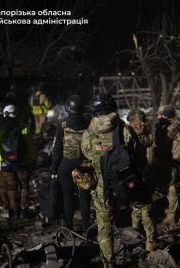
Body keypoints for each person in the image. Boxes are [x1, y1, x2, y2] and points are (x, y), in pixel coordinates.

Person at [81, 93, 137, 268]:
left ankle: (108, 262)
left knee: (104, 226)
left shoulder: (89, 131)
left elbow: (86, 152)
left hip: (100, 184)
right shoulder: (123, 128)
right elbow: (133, 150)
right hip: (122, 180)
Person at [50, 95, 90, 231]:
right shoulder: (88, 123)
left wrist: (54, 169)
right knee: (84, 197)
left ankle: (68, 227)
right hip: (83, 165)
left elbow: (56, 149)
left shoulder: (62, 125)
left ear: (68, 108)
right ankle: (86, 228)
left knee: (67, 197)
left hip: (65, 165)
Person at [0, 104, 37, 219]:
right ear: (16, 114)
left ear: (4, 113)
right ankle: (23, 210)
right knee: (24, 187)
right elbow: (31, 147)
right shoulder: (24, 128)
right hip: (22, 163)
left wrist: (0, 162)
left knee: (11, 187)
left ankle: (14, 211)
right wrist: (33, 159)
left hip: (6, 164)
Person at [154, 105, 180, 226]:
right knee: (168, 185)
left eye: (160, 114)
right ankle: (171, 208)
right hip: (175, 157)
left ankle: (172, 214)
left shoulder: (171, 127)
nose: (158, 116)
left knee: (171, 186)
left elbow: (161, 142)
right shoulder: (175, 123)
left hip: (174, 159)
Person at [127, 109, 156, 251]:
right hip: (141, 175)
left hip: (130, 177)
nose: (142, 123)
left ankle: (135, 229)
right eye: (141, 121)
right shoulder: (142, 135)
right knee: (145, 207)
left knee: (136, 203)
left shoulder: (124, 134)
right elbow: (150, 142)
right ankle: (149, 240)